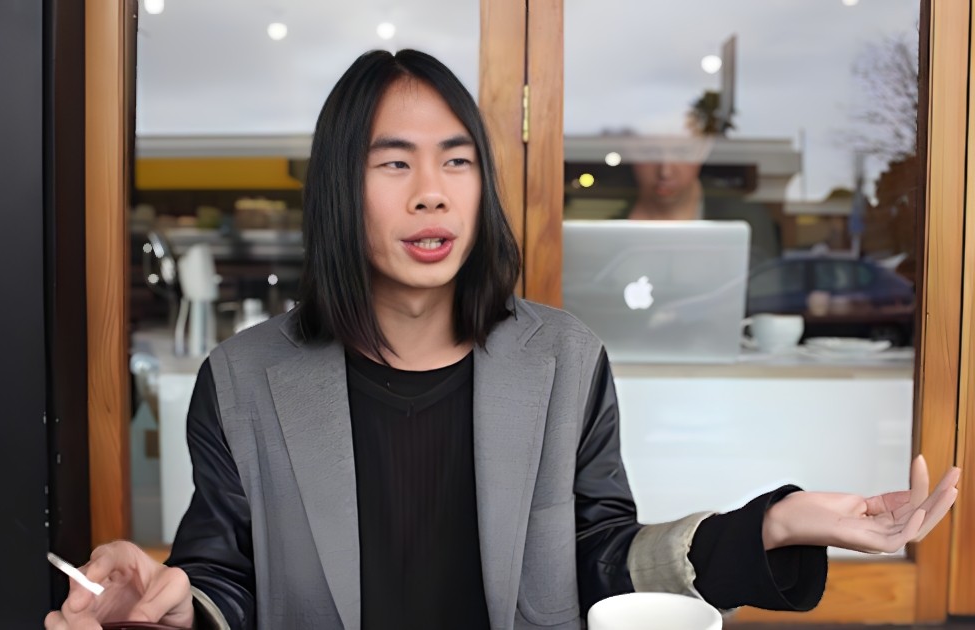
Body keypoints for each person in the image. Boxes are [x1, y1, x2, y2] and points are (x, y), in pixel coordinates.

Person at [46, 49, 961, 630]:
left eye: (457, 160)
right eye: (393, 162)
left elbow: (601, 558)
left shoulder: (563, 361)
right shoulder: (245, 378)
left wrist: (778, 521)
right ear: (338, 187)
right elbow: (223, 580)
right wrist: (168, 611)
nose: (432, 192)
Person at [625, 135, 782, 266]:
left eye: (682, 152)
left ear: (703, 150)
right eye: (650, 153)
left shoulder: (747, 217)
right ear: (630, 151)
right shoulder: (607, 208)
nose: (665, 171)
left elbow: (766, 297)